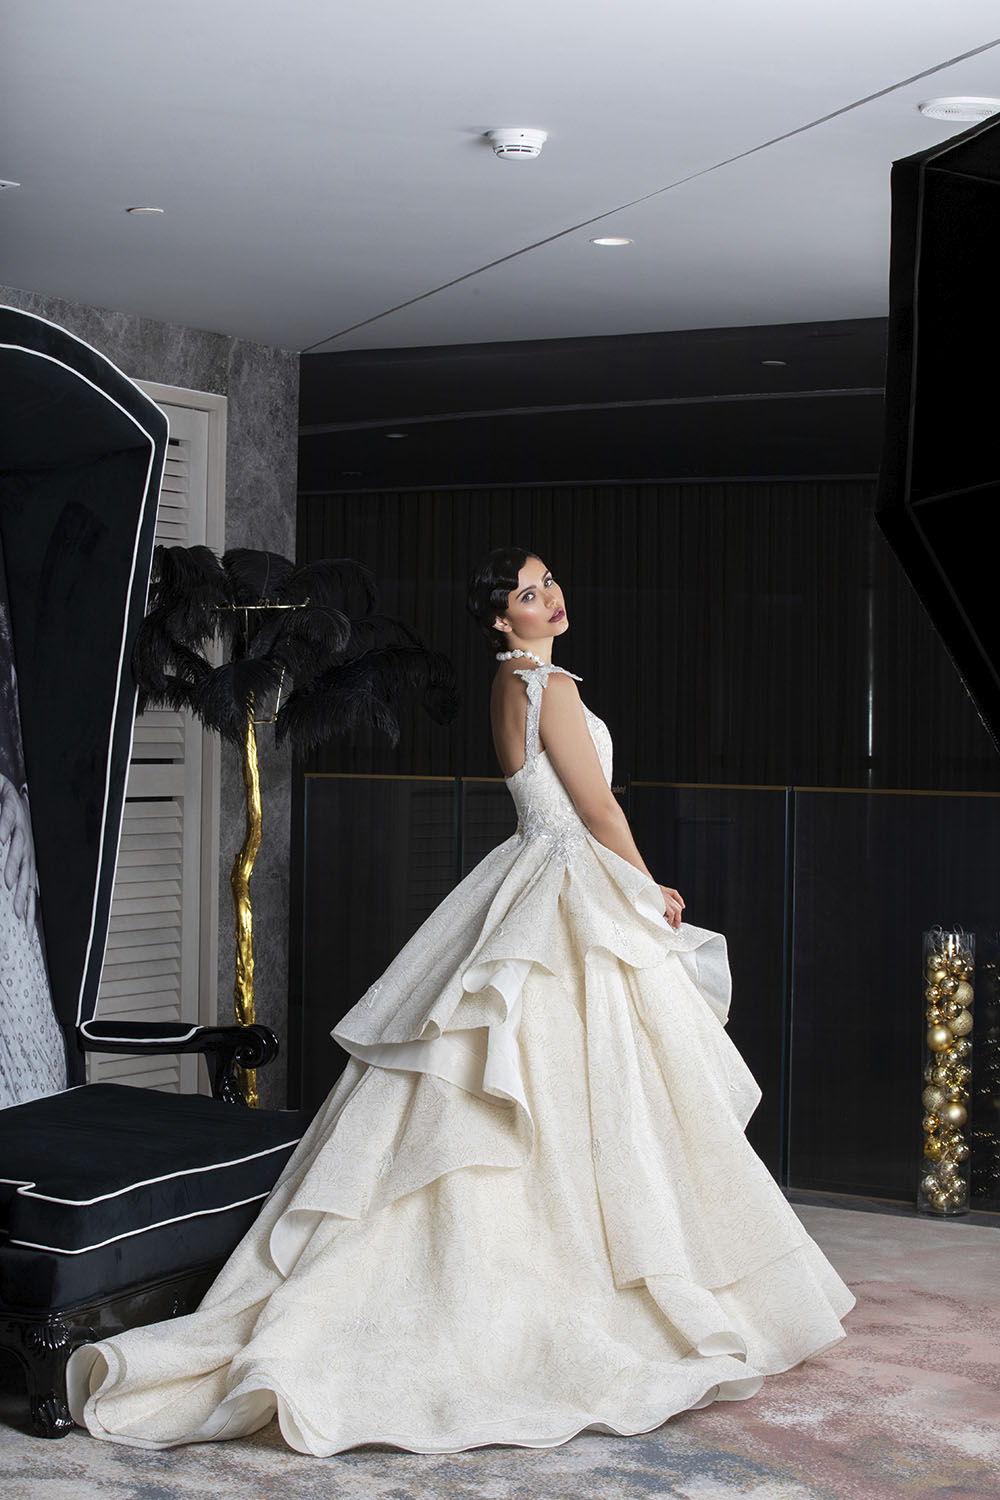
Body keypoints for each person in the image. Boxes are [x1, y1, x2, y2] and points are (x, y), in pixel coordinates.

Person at [68, 547, 854, 1455]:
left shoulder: (510, 684)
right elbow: (598, 811)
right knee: (576, 1086)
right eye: (528, 593)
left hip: (534, 880)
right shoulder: (546, 687)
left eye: (549, 582)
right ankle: (576, 1286)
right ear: (499, 617)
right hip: (565, 880)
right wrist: (648, 889)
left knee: (538, 1080)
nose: (550, 598)